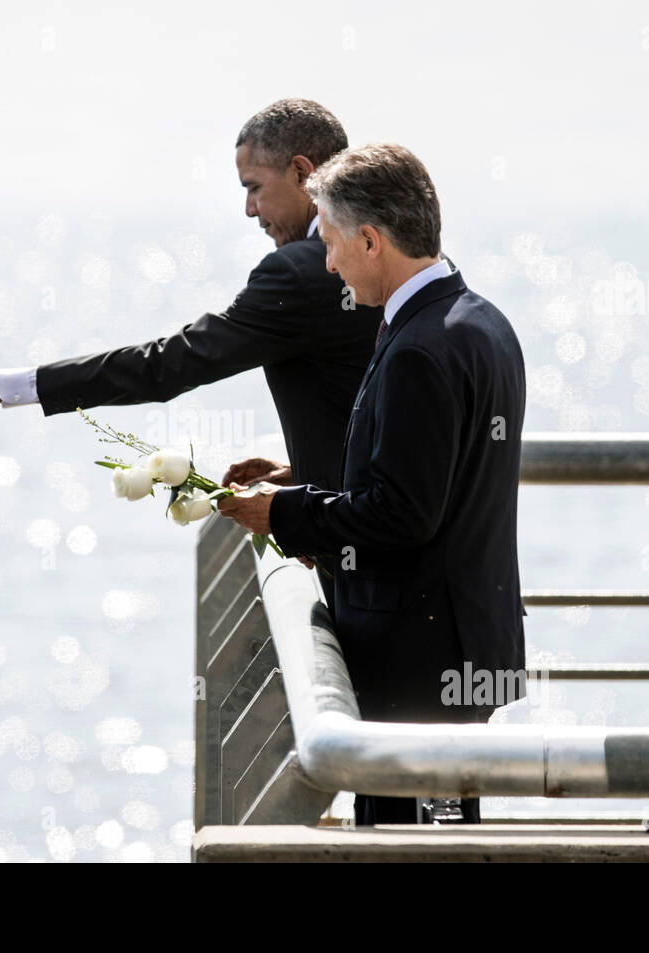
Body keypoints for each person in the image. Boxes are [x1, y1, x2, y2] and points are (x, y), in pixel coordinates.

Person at [0, 99, 382, 605]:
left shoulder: (300, 271)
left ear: (303, 174)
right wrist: (308, 475)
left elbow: (166, 366)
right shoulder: (388, 251)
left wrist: (2, 388)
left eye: (254, 188)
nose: (249, 210)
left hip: (376, 575)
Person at [218, 143, 528, 826]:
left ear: (369, 238)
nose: (326, 263)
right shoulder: (482, 322)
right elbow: (437, 469)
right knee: (446, 835)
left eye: (329, 243)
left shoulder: (418, 348)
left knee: (407, 839)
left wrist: (285, 514)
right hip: (467, 642)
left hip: (416, 657)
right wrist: (305, 479)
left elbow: (402, 512)